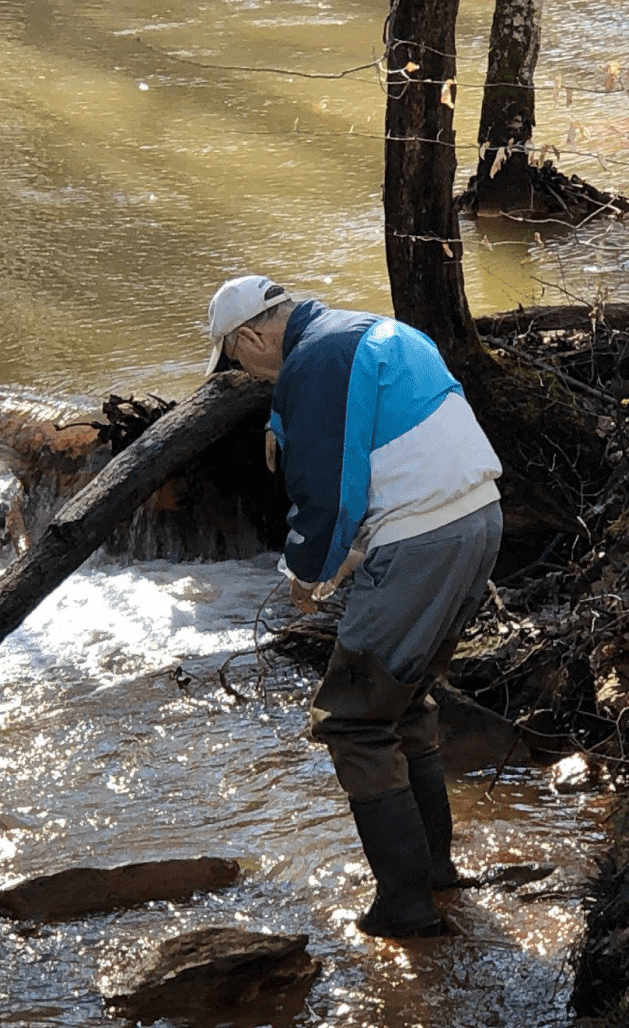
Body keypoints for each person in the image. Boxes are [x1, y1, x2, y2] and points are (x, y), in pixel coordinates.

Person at [205, 275, 503, 937]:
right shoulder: (369, 329)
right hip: (478, 519)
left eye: (234, 358)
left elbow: (331, 487)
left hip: (422, 536)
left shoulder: (316, 361)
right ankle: (434, 873)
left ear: (253, 335)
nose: (243, 372)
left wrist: (307, 573)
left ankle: (405, 906)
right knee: (404, 700)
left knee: (353, 723)